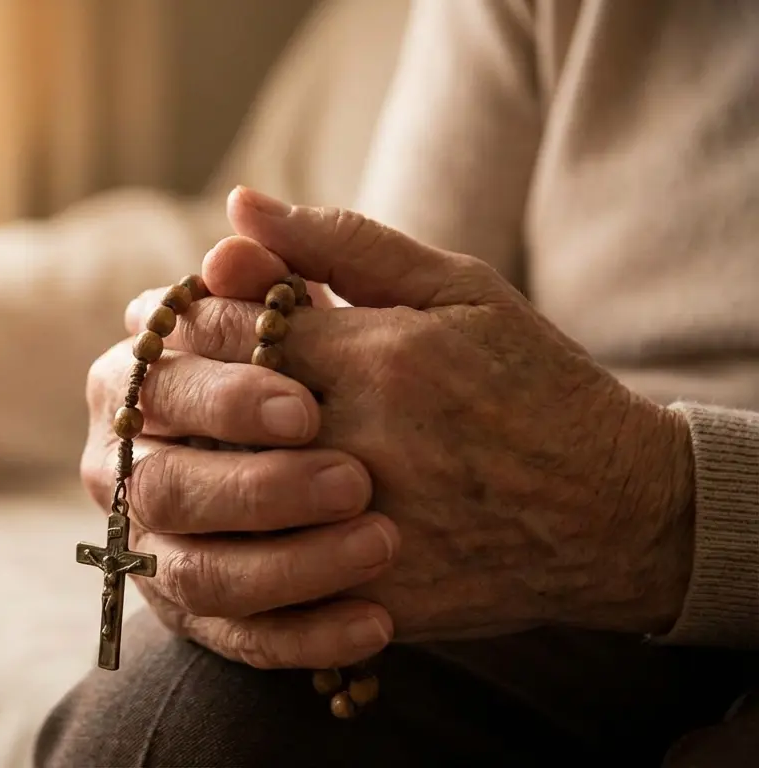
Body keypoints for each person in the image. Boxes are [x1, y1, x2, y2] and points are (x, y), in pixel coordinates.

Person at [37, 1, 759, 765]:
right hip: (556, 578)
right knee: (180, 729)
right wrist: (242, 432)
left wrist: (662, 505)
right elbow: (392, 333)